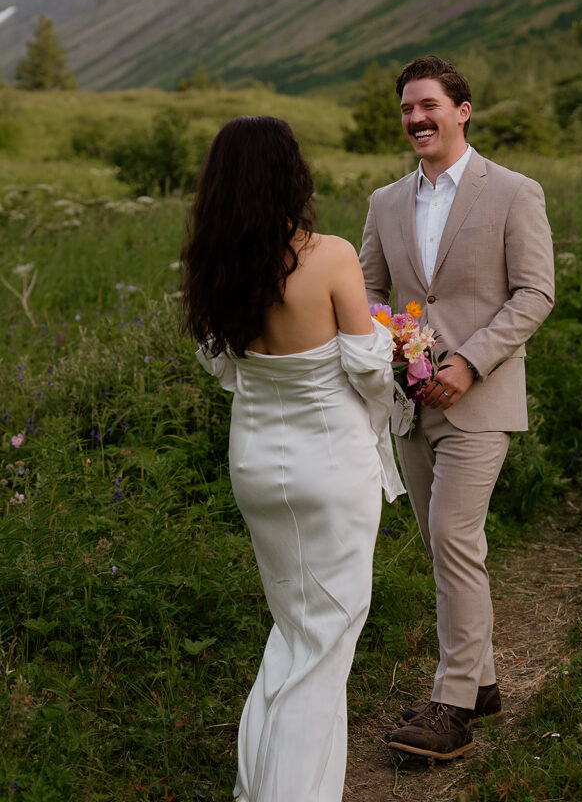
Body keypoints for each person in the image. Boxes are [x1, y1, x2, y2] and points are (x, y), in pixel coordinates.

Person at [181, 115, 404, 802]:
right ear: (290, 175)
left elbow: (222, 367)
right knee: (327, 639)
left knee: (293, 629)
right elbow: (368, 368)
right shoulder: (331, 255)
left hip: (255, 460)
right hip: (329, 464)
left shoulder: (213, 264)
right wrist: (400, 363)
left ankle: (260, 786)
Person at [359, 56, 555, 761]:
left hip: (482, 396)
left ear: (461, 110)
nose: (415, 118)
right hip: (410, 404)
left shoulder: (512, 191)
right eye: (406, 109)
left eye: (428, 106)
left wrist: (469, 362)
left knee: (451, 537)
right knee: (440, 544)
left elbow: (534, 293)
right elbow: (367, 294)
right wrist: (398, 346)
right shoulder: (383, 202)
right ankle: (485, 684)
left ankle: (450, 709)